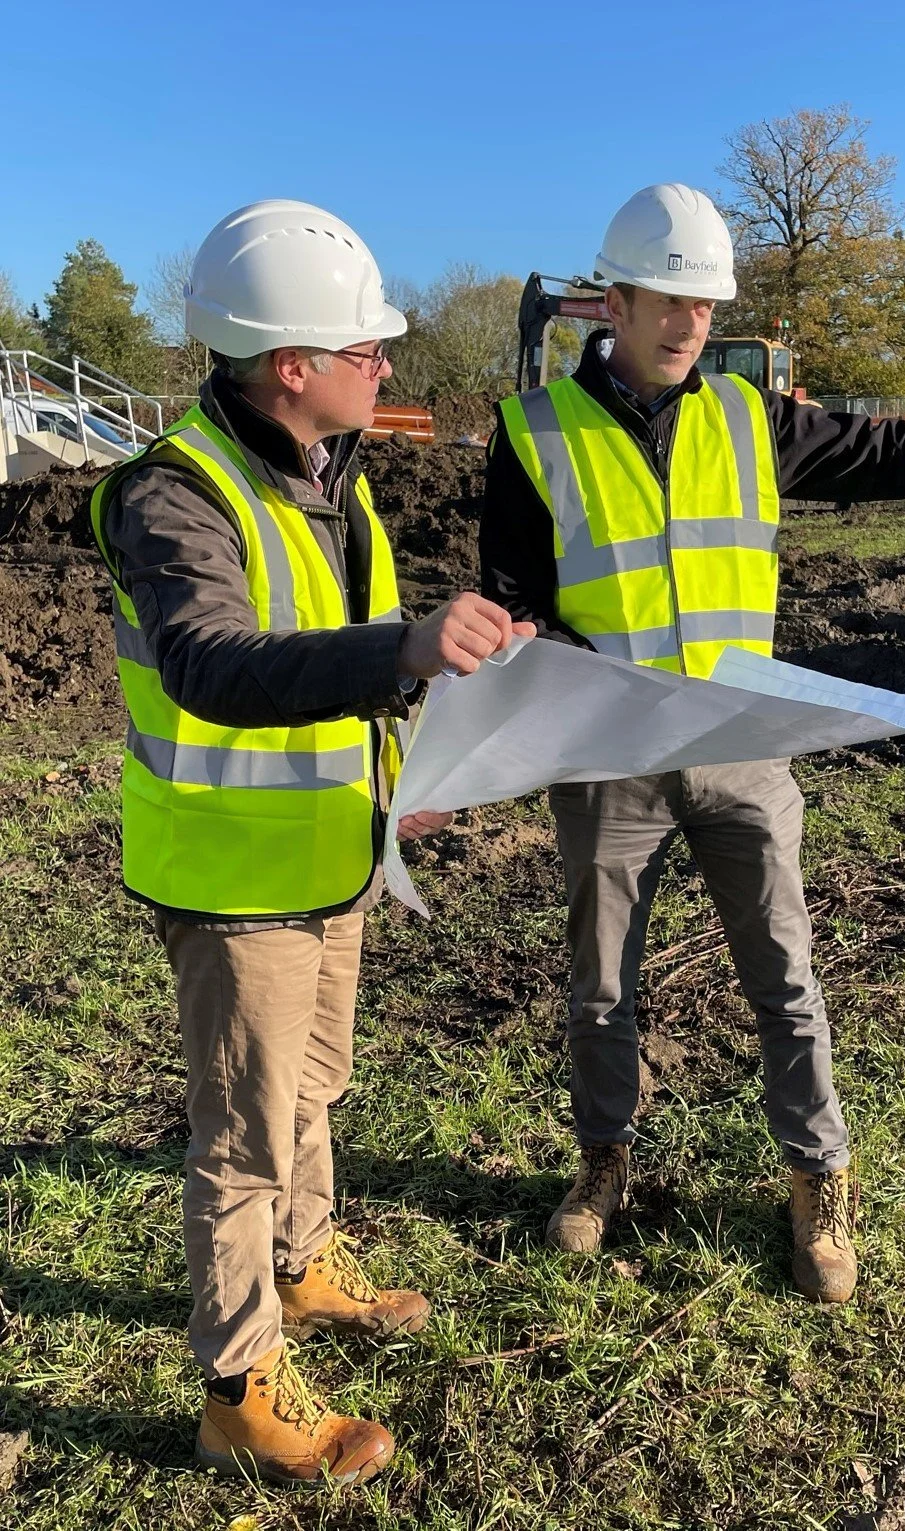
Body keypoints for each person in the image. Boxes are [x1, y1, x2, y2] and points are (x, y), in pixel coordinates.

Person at [479, 182, 905, 1305]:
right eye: (669, 302)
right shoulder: (534, 433)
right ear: (613, 301)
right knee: (601, 984)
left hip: (744, 744)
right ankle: (605, 1161)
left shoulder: (753, 419)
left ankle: (818, 1180)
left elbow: (898, 452)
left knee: (785, 978)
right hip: (610, 756)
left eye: (705, 306)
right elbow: (511, 594)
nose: (690, 326)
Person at [88, 200, 533, 1486]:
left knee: (314, 1093)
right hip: (234, 880)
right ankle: (237, 1388)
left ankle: (304, 1263)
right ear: (294, 365)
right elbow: (213, 662)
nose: (386, 365)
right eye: (367, 349)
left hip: (334, 855)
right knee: (240, 1141)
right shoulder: (172, 496)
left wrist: (404, 786)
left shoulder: (338, 483)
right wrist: (401, 649)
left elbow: (340, 679)